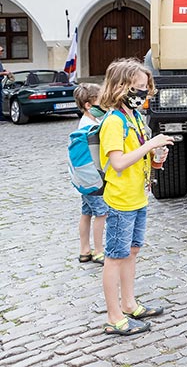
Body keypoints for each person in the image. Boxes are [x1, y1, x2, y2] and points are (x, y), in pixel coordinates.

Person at [98, 58, 173, 335]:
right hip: (120, 200)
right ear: (120, 87)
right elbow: (118, 163)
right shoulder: (114, 122)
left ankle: (129, 304)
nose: (143, 94)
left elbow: (142, 156)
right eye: (137, 88)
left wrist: (156, 157)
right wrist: (151, 144)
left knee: (132, 251)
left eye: (145, 88)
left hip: (138, 197)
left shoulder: (136, 118)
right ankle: (114, 316)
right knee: (114, 257)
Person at [73, 82, 108, 265]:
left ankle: (84, 250)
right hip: (95, 178)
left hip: (84, 179)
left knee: (86, 212)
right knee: (101, 214)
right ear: (89, 105)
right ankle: (99, 251)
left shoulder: (87, 121)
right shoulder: (91, 127)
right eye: (101, 102)